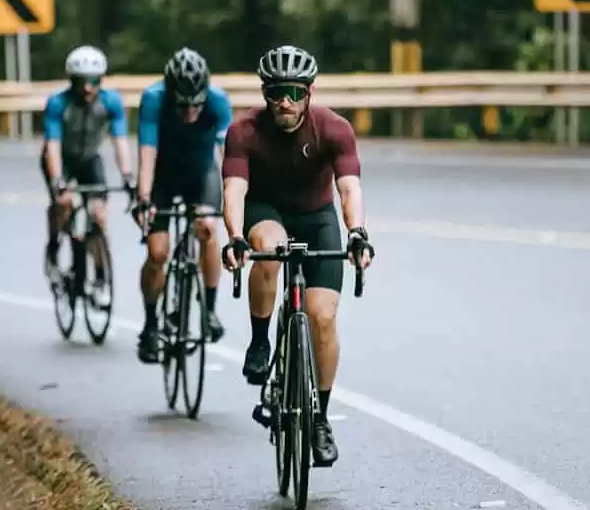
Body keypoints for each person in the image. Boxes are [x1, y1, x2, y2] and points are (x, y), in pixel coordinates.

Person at [219, 44, 375, 468]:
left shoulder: (334, 128)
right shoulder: (244, 131)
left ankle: (320, 419)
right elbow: (234, 190)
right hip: (265, 211)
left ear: (309, 92)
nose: (283, 101)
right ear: (265, 93)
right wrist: (235, 236)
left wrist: (357, 232)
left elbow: (349, 188)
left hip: (317, 215)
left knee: (322, 316)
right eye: (274, 92)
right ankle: (258, 341)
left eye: (293, 91)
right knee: (269, 250)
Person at [132, 47, 231, 363]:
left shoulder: (218, 101)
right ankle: (150, 326)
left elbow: (229, 158)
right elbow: (146, 154)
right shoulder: (153, 100)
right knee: (157, 252)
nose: (189, 114)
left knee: (208, 228)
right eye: (182, 106)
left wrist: (236, 199)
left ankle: (210, 311)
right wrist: (144, 199)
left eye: (195, 106)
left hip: (201, 174)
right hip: (162, 175)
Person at [40, 45, 133, 302]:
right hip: (62, 160)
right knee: (64, 202)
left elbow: (121, 141)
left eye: (93, 82)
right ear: (72, 81)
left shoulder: (111, 102)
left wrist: (127, 176)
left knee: (99, 215)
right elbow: (53, 146)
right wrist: (58, 179)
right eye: (82, 82)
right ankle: (54, 244)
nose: (88, 88)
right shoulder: (58, 104)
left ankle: (101, 273)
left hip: (90, 159)